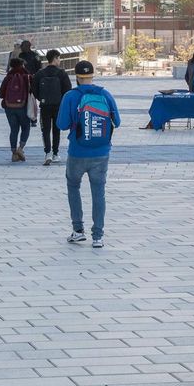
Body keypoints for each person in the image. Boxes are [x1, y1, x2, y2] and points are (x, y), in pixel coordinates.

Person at [56, 60, 121, 248]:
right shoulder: (105, 95)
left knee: (73, 186)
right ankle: (98, 236)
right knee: (98, 192)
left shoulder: (70, 96)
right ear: (93, 75)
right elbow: (117, 121)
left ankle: (78, 230)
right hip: (101, 152)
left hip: (77, 152)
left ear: (76, 77)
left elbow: (61, 124)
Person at [32, 49, 72, 165]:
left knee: (45, 130)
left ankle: (47, 153)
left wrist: (41, 98)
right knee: (56, 130)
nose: (59, 60)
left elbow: (34, 89)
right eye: (59, 58)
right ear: (55, 58)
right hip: (58, 106)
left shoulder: (40, 74)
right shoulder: (62, 73)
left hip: (45, 106)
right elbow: (68, 89)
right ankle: (55, 154)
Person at [0, 57, 32, 162]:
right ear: (22, 65)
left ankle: (14, 154)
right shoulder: (27, 77)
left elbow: (0, 94)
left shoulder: (8, 77)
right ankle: (20, 149)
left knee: (14, 129)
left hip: (9, 108)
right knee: (26, 127)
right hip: (23, 107)